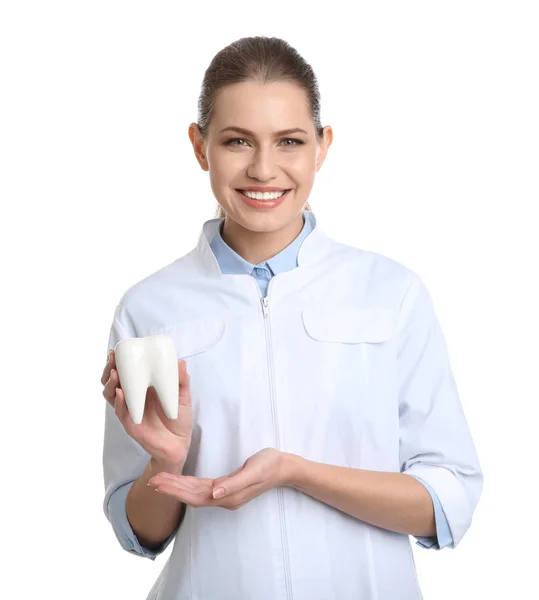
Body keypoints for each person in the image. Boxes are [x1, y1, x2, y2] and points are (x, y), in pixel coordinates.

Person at [100, 36, 482, 600]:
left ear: (322, 147)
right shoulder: (150, 307)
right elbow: (139, 531)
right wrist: (165, 460)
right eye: (236, 141)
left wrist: (294, 472)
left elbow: (447, 503)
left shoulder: (390, 294)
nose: (264, 169)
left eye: (290, 141)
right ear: (199, 146)